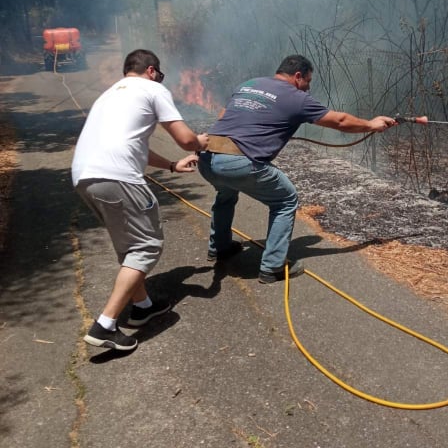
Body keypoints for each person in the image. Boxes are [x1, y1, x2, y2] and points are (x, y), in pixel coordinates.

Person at [198, 54, 396, 283]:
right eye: (308, 82)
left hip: (207, 157)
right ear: (298, 76)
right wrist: (372, 124)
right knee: (285, 199)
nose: (308, 89)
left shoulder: (250, 84)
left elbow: (224, 115)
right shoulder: (296, 97)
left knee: (226, 193)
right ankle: (272, 267)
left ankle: (220, 247)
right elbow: (340, 121)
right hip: (238, 162)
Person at [72, 48, 209, 352]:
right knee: (147, 246)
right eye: (159, 74)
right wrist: (200, 142)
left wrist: (173, 166)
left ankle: (144, 305)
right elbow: (186, 139)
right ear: (150, 70)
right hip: (117, 177)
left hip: (85, 177)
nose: (160, 79)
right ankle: (105, 325)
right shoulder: (152, 88)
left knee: (129, 244)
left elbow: (136, 147)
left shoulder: (109, 95)